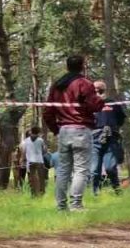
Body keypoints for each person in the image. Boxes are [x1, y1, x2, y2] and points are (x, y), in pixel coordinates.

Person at [43, 54, 104, 212]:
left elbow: (48, 112)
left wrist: (56, 129)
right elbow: (95, 105)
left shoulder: (57, 85)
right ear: (83, 66)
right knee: (81, 169)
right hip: (81, 130)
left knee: (63, 169)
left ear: (67, 66)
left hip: (64, 130)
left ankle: (61, 206)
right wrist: (102, 100)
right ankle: (76, 205)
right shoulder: (84, 83)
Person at [91, 80, 125, 196]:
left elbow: (121, 118)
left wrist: (113, 128)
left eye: (99, 88)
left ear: (103, 89)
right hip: (94, 139)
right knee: (95, 170)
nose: (97, 90)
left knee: (110, 168)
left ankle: (117, 189)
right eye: (95, 88)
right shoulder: (89, 104)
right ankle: (95, 193)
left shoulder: (112, 103)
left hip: (111, 139)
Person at [22, 126, 48, 197]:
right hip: (39, 161)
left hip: (30, 162)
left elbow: (24, 152)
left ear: (31, 131)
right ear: (38, 132)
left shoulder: (26, 141)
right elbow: (44, 151)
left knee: (32, 178)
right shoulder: (40, 140)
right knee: (41, 178)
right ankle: (41, 193)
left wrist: (23, 161)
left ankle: (34, 194)